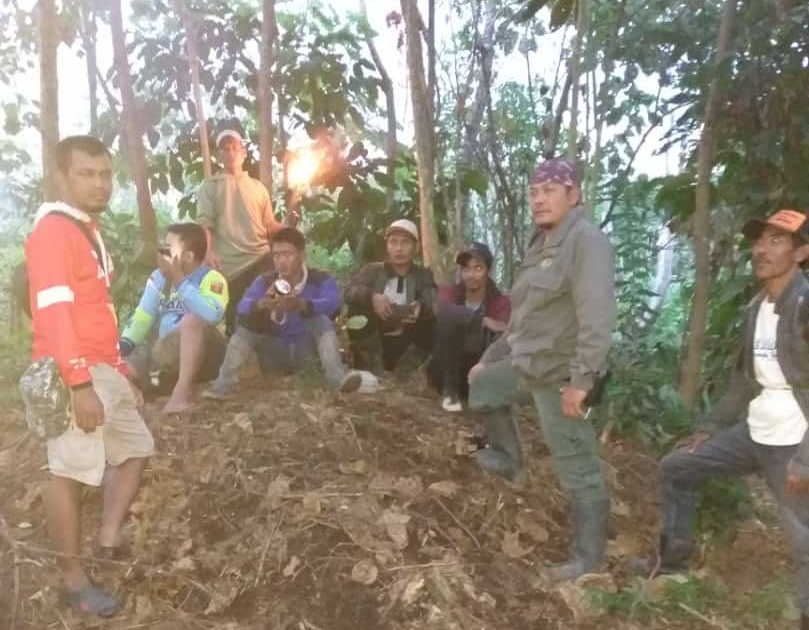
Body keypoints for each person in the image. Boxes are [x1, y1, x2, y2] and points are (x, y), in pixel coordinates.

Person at [630, 209, 809, 630]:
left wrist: (804, 460)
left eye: (777, 241)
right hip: (756, 430)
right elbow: (743, 382)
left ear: (802, 253)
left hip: (794, 438)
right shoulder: (756, 308)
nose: (762, 249)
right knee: (677, 468)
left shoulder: (804, 305)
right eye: (759, 240)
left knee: (803, 536)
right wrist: (709, 428)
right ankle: (673, 561)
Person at [467, 158, 616, 583]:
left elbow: (597, 317)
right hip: (527, 363)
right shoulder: (542, 245)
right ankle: (511, 462)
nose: (538, 199)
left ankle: (589, 560)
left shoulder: (586, 241)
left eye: (549, 191)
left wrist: (582, 382)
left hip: (560, 375)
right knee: (482, 388)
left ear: (574, 195)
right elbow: (522, 320)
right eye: (534, 192)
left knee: (577, 466)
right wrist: (489, 358)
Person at [24, 136, 154, 617]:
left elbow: (95, 311)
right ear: (61, 177)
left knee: (136, 449)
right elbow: (56, 314)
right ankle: (74, 580)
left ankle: (107, 536)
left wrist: (120, 371)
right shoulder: (53, 233)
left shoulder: (85, 229)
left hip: (103, 367)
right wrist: (78, 384)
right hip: (73, 371)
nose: (100, 184)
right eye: (86, 174)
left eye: (105, 174)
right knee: (69, 472)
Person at [202, 227, 365, 398]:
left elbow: (333, 303)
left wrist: (301, 304)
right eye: (276, 256)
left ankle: (337, 380)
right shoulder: (265, 280)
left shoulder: (320, 279)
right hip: (275, 353)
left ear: (301, 255)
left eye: (287, 254)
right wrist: (263, 304)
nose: (281, 261)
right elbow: (242, 306)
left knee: (321, 320)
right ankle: (223, 385)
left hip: (307, 352)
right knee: (248, 322)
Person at [119, 223, 229, 414]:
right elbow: (143, 316)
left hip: (206, 351)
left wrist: (179, 281)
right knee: (119, 366)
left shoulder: (212, 278)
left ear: (188, 256)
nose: (160, 253)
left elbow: (212, 315)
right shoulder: (158, 278)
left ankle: (180, 395)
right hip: (168, 351)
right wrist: (122, 347)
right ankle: (142, 391)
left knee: (192, 321)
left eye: (167, 249)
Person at [197, 128, 282, 335]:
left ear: (243, 153)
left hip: (261, 258)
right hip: (230, 266)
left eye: (235, 148)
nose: (231, 153)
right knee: (238, 322)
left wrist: (288, 232)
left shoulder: (258, 187)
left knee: (271, 311)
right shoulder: (210, 187)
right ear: (218, 155)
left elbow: (270, 225)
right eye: (225, 149)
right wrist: (207, 252)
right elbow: (205, 224)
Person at [344, 219, 437, 375]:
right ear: (387, 246)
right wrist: (371, 297)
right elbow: (348, 292)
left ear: (416, 247)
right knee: (356, 311)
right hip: (375, 341)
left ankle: (406, 370)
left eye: (405, 242)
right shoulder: (372, 270)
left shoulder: (423, 275)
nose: (398, 248)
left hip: (405, 341)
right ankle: (371, 368)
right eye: (393, 242)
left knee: (435, 320)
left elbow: (432, 298)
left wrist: (421, 306)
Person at [427, 242, 510, 412]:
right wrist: (480, 320)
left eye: (478, 268)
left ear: (488, 271)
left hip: (479, 370)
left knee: (497, 337)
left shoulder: (500, 302)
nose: (471, 275)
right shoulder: (449, 292)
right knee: (449, 320)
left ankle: (487, 394)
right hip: (446, 370)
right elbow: (440, 309)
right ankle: (450, 393)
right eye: (466, 269)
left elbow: (505, 331)